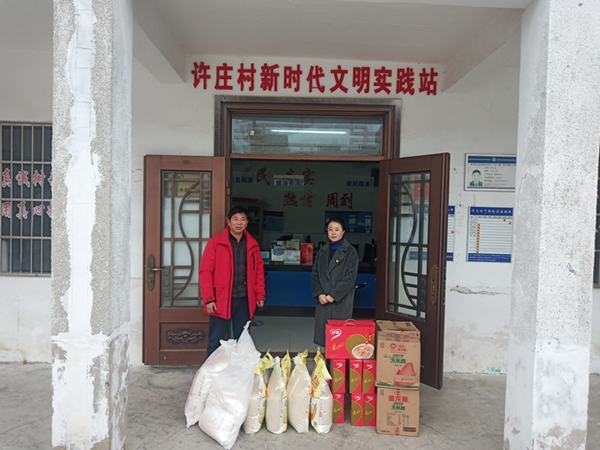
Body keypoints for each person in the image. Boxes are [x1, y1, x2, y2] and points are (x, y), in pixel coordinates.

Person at [199, 205, 266, 357]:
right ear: (228, 222)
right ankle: (212, 370)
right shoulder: (216, 243)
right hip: (221, 298)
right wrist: (209, 298)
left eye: (242, 219)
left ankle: (239, 370)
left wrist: (260, 294)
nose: (239, 223)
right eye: (235, 219)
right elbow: (205, 272)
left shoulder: (253, 245)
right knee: (216, 340)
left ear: (247, 223)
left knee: (242, 339)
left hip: (244, 298)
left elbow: (258, 271)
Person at [311, 216, 359, 348]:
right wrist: (320, 293)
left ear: (343, 232)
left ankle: (338, 360)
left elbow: (350, 278)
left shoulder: (350, 252)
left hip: (340, 300)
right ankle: (326, 359)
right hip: (323, 299)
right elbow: (315, 273)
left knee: (339, 337)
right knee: (325, 335)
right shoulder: (322, 250)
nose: (333, 232)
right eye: (330, 229)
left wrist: (333, 295)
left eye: (337, 229)